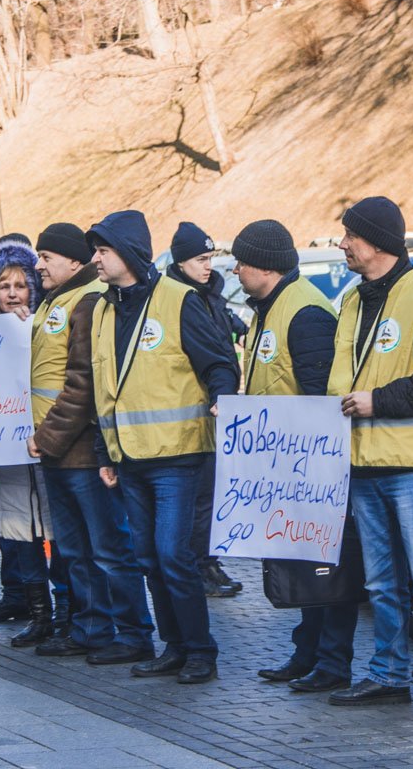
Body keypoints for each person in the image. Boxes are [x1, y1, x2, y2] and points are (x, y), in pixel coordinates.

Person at [323, 196, 413, 720]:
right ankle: (388, 673)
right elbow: (341, 380)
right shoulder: (352, 300)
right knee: (382, 583)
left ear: (375, 241)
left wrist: (376, 401)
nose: (342, 244)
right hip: (365, 465)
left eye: (349, 236)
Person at [88, 210, 235, 682]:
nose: (96, 258)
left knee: (174, 555)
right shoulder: (103, 309)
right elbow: (102, 387)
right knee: (149, 557)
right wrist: (103, 452)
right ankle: (173, 646)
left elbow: (218, 363)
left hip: (177, 455)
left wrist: (222, 398)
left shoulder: (178, 300)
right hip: (129, 457)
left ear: (128, 253)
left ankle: (200, 651)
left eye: (103, 250)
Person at [232, 219, 360, 692]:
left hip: (312, 469)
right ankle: (307, 651)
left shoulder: (305, 313)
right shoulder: (270, 307)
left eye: (242, 262)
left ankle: (332, 663)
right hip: (287, 469)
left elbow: (319, 396)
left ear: (264, 265)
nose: (237, 270)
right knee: (307, 569)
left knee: (327, 572)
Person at [25, 223, 156, 663]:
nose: (37, 265)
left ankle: (133, 632)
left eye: (46, 257)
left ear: (74, 262)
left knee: (109, 550)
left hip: (79, 453)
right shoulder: (53, 302)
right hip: (57, 454)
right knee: (76, 551)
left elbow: (82, 384)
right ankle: (91, 627)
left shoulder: (85, 303)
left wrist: (47, 437)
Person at [0, 240, 66, 648]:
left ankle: (69, 613)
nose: (12, 293)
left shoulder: (45, 325)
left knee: (58, 532)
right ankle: (39, 615)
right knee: (17, 534)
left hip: (44, 448)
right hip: (5, 456)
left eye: (21, 285)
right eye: (4, 285)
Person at [165, 222, 246, 598]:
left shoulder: (211, 295)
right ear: (181, 262)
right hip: (189, 420)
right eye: (200, 259)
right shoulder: (176, 299)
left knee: (212, 498)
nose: (208, 265)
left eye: (210, 258)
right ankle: (198, 565)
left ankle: (208, 561)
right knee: (198, 501)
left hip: (215, 414)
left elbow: (223, 332)